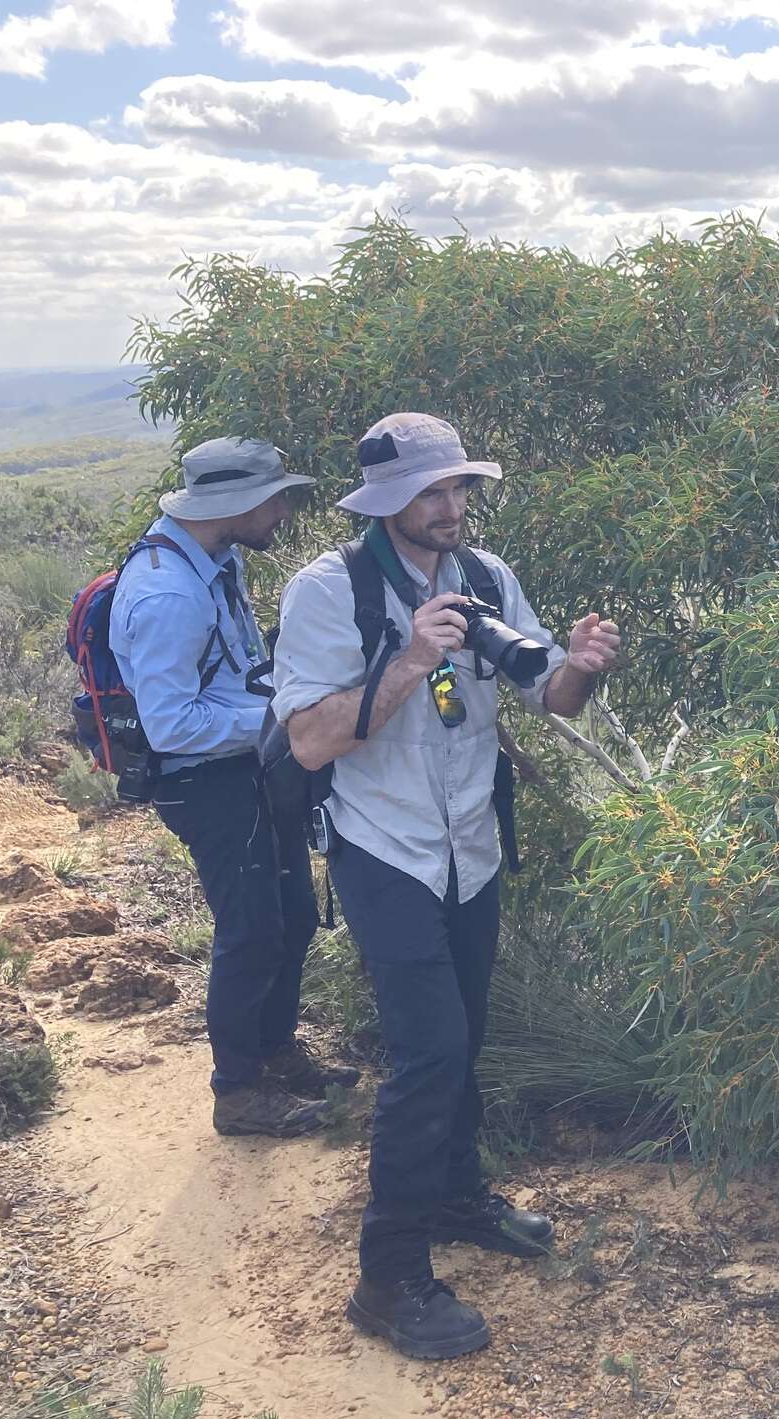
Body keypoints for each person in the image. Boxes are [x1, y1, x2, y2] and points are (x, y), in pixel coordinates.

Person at [269, 412, 620, 1360]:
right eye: (433, 492)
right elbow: (309, 739)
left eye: (460, 486)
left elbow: (547, 693)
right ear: (386, 504)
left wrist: (579, 669)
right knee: (427, 1053)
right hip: (384, 848)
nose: (453, 505)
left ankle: (459, 1196)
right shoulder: (327, 592)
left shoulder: (487, 575)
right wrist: (412, 658)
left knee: (465, 1033)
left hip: (472, 842)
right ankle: (388, 1278)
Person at [109, 437, 357, 1138]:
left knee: (292, 918)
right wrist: (287, 719)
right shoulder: (167, 593)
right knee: (250, 931)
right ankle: (239, 1094)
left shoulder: (213, 561)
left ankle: (275, 1053)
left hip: (247, 770)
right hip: (206, 784)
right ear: (235, 504)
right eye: (276, 497)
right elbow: (170, 725)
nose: (283, 510)